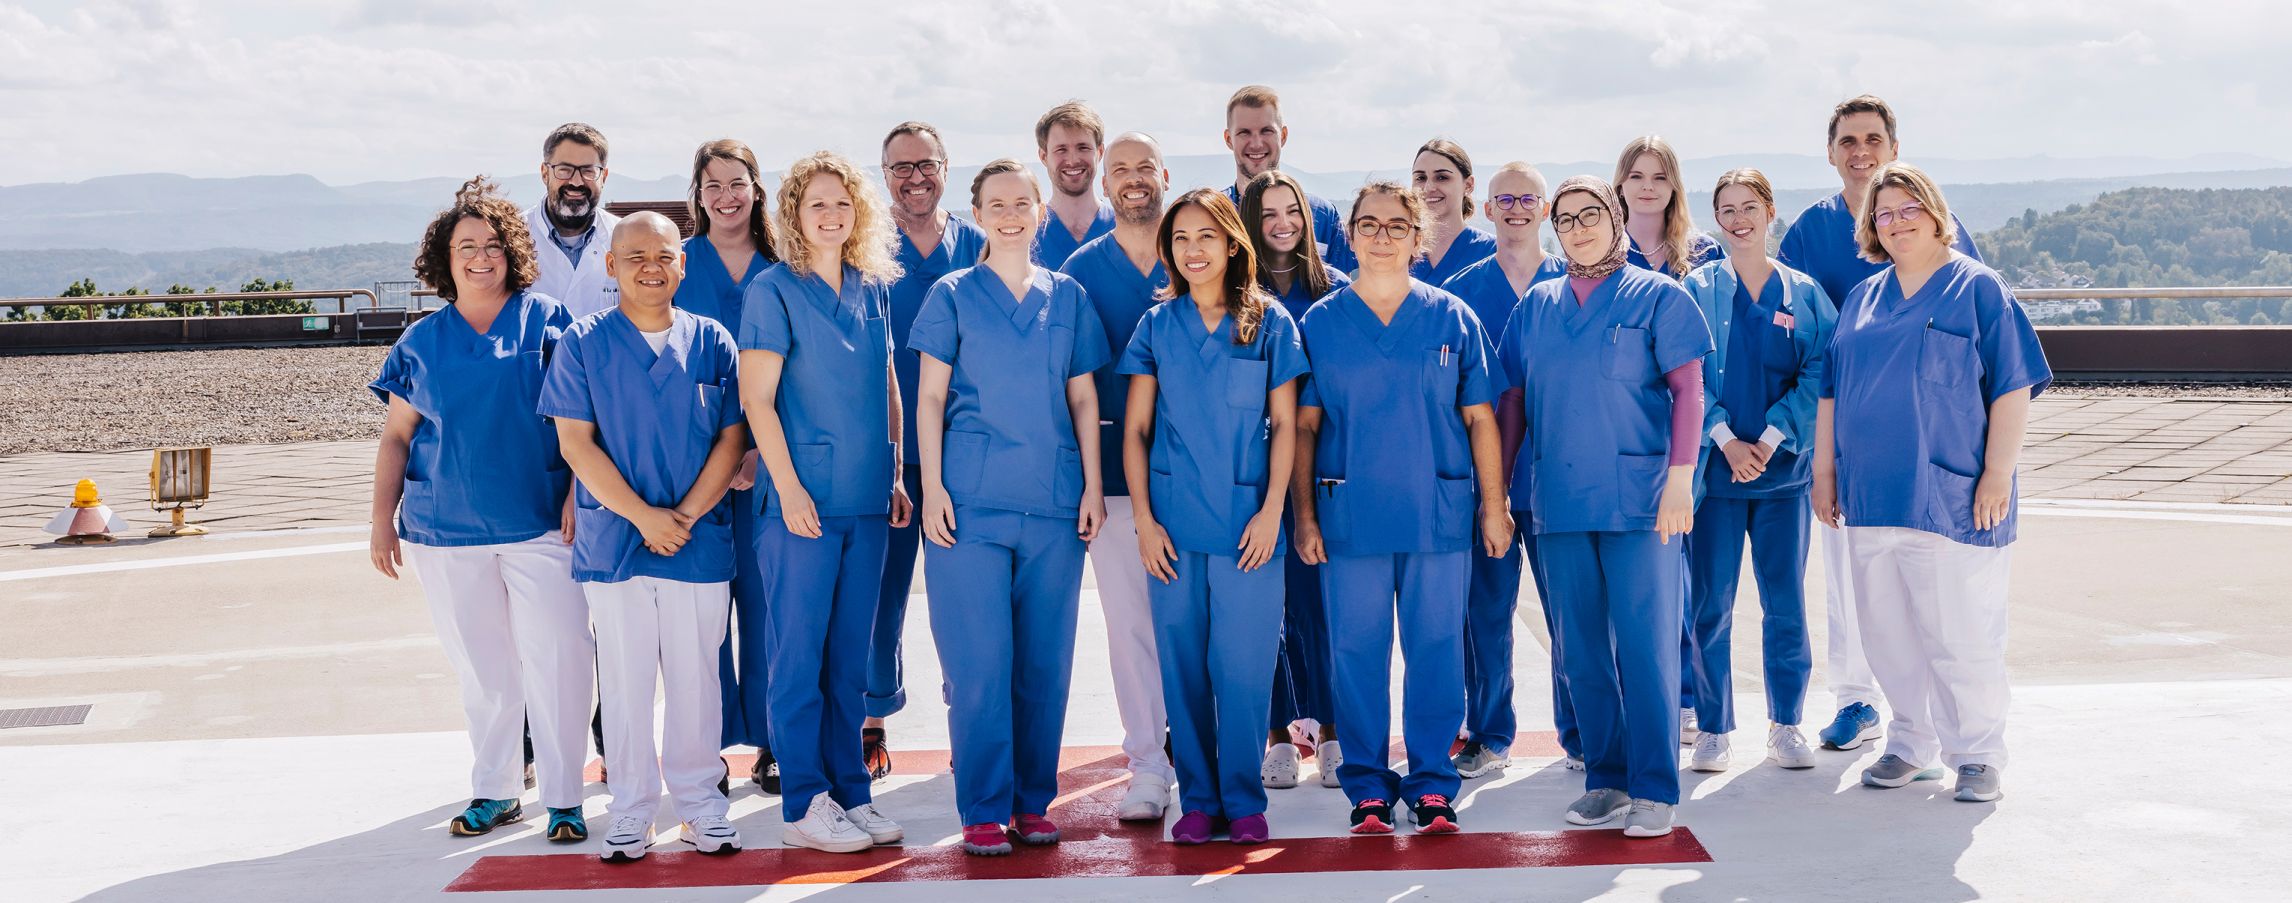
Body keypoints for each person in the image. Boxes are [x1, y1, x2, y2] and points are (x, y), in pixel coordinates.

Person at [1812, 162, 2047, 804]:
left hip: (1952, 495)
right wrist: (1824, 473)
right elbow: (1831, 392)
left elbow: (2013, 385)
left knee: (1960, 633)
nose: (1896, 222)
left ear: (1935, 213)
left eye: (1908, 208)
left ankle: (1976, 753)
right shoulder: (1863, 298)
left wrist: (1997, 473)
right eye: (1883, 213)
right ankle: (1910, 742)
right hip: (1870, 496)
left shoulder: (1977, 288)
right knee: (1887, 634)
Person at [369, 177, 594, 846]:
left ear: (513, 252)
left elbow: (585, 419)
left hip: (541, 524)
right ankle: (497, 790)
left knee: (560, 659)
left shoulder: (548, 320)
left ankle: (564, 797)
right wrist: (381, 520)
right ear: (445, 258)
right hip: (444, 529)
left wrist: (578, 491)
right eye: (466, 246)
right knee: (483, 668)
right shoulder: (422, 341)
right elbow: (397, 436)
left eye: (493, 245)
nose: (480, 257)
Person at [1496, 175, 1712, 839]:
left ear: (1616, 215)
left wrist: (1681, 480)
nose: (1579, 227)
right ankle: (1607, 779)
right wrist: (1498, 490)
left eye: (1591, 213)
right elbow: (1513, 402)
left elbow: (1689, 392)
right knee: (1580, 650)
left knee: (1646, 649)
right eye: (1566, 218)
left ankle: (1654, 786)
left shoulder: (1659, 296)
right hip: (1559, 502)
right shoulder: (1537, 306)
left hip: (1642, 502)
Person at [1293, 181, 1510, 836]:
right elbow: (1304, 427)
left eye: (1396, 225)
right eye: (1369, 224)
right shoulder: (1322, 324)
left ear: (1417, 237)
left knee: (1437, 650)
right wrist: (1305, 516)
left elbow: (1481, 419)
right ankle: (1366, 785)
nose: (1382, 236)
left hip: (1436, 513)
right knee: (1356, 653)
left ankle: (1432, 783)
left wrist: (1494, 506)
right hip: (1350, 514)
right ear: (1350, 235)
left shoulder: (1452, 318)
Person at [909, 159, 1111, 856]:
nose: (1010, 215)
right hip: (970, 506)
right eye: (996, 205)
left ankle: (1032, 802)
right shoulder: (952, 295)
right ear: (977, 215)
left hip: (1053, 503)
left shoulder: (1068, 297)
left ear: (1039, 211)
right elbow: (929, 398)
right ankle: (984, 806)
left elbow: (1083, 398)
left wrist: (1091, 485)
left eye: (1022, 203)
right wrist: (934, 487)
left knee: (1044, 665)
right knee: (979, 665)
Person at [539, 212, 748, 862]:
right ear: (611, 265)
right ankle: (631, 809)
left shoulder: (712, 340)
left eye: (664, 255)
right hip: (617, 543)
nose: (650, 267)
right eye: (635, 256)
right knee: (626, 682)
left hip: (698, 538)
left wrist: (681, 516)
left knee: (697, 681)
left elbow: (732, 439)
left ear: (682, 264)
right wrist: (644, 517)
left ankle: (701, 806)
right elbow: (576, 444)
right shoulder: (582, 342)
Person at [1779, 96, 1986, 753]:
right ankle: (1857, 699)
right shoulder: (1812, 232)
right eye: (1848, 140)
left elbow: (1979, 327)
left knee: (1931, 588)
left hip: (1928, 438)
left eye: (1873, 139)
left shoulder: (1938, 223)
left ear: (1894, 148)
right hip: (1848, 430)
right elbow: (1792, 332)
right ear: (1830, 152)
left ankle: (1936, 722)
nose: (1860, 151)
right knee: (1851, 580)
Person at [1119, 189, 1310, 845]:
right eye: (1180, 239)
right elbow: (1136, 431)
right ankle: (1198, 800)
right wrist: (1144, 521)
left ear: (1232, 244)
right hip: (1174, 529)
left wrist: (1273, 511)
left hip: (1248, 527)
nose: (1193, 249)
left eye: (1206, 236)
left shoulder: (1268, 322)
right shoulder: (1156, 326)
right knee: (1183, 668)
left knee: (1245, 669)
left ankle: (1243, 797)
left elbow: (1285, 425)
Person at [738, 151, 912, 852]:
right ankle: (804, 801)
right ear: (794, 214)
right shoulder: (773, 290)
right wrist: (787, 487)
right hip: (802, 504)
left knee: (849, 661)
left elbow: (887, 381)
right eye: (817, 203)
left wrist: (893, 474)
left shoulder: (872, 288)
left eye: (842, 202)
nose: (831, 214)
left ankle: (851, 791)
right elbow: (757, 399)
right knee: (798, 658)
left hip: (865, 499)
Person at [1679, 168, 1836, 773]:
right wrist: (1725, 440)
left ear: (1770, 211)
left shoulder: (1804, 293)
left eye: (1749, 207)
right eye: (1727, 209)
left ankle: (1786, 723)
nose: (1739, 219)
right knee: (1710, 606)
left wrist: (1769, 439)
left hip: (1782, 477)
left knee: (1786, 604)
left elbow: (1821, 370)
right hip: (1716, 479)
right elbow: (1684, 373)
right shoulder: (1696, 289)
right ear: (1715, 218)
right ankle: (1713, 728)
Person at [1057, 131, 1179, 820]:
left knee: (1198, 625)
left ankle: (1208, 757)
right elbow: (1071, 382)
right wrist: (1085, 483)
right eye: (1120, 169)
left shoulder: (1196, 252)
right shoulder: (1080, 271)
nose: (1133, 179)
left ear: (1165, 175)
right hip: (1111, 479)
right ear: (1104, 184)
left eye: (1144, 167)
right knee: (1131, 627)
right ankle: (1148, 765)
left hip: (1197, 475)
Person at [1437, 162, 1569, 780]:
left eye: (1528, 198)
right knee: (1485, 616)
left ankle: (1583, 734)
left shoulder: (1573, 284)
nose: (1516, 208)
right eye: (1504, 199)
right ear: (1486, 209)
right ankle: (1489, 735)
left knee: (1571, 615)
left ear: (1545, 209)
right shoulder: (1459, 292)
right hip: (1483, 479)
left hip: (1560, 476)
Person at [870, 121, 987, 778]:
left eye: (926, 165)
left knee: (964, 601)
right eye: (901, 167)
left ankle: (967, 720)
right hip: (887, 453)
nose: (915, 178)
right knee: (879, 596)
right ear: (884, 174)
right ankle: (872, 720)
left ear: (946, 167)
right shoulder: (866, 248)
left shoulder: (977, 244)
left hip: (962, 453)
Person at [672, 139, 781, 793]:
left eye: (737, 183)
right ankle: (704, 750)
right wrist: (718, 456)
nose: (726, 196)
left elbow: (803, 368)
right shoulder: (678, 265)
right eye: (712, 185)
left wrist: (761, 449)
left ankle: (774, 741)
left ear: (756, 188)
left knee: (771, 606)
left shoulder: (786, 263)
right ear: (698, 194)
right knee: (702, 613)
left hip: (773, 464)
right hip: (695, 466)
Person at [1238, 169, 1348, 789]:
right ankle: (1278, 735)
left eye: (1292, 211)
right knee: (1265, 609)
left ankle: (1332, 731)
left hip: (1323, 471)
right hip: (1254, 471)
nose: (1282, 224)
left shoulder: (1337, 291)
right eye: (1268, 214)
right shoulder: (1235, 295)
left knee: (1321, 606)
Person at [1219, 85, 1355, 274]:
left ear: (1283, 136)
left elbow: (1343, 286)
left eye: (1266, 131)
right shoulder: (1215, 215)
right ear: (1228, 139)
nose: (1256, 144)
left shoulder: (1321, 215)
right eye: (1244, 133)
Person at [526, 123, 623, 318]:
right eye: (564, 170)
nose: (576, 182)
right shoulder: (514, 236)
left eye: (588, 171)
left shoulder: (623, 237)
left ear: (603, 176)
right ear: (545, 173)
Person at [1615, 135, 1725, 282]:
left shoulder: (1704, 252)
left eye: (1660, 178)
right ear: (1620, 187)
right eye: (1636, 177)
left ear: (1674, 188)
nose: (1648, 186)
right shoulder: (1602, 254)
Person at [1034, 101, 1116, 269]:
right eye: (1061, 150)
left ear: (1100, 152)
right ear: (1043, 156)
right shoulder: (1027, 236)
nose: (1073, 160)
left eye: (1083, 148)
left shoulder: (1123, 229)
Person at [1407, 139, 1497, 285]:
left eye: (1442, 177)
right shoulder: (1398, 249)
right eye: (1421, 178)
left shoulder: (1494, 252)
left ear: (1468, 185)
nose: (1428, 188)